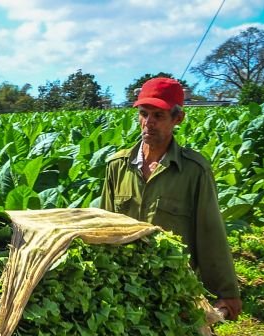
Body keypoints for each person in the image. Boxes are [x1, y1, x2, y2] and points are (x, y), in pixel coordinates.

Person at [101, 77, 242, 320]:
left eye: (158, 116)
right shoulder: (117, 166)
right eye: (144, 114)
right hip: (123, 287)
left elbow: (209, 231)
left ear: (178, 119)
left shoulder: (194, 170)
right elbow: (101, 226)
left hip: (172, 291)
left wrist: (225, 290)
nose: (148, 123)